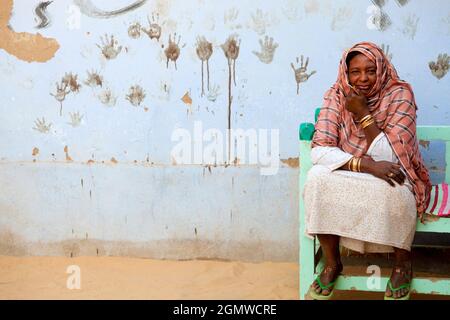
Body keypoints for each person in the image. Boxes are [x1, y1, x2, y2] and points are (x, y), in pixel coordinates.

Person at [303, 42, 431, 300]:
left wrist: (363, 114)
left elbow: (392, 158)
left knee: (395, 187)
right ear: (346, 72)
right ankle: (332, 263)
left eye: (370, 70)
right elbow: (319, 150)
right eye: (355, 72)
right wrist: (367, 165)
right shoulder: (337, 95)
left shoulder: (400, 95)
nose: (362, 78)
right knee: (317, 177)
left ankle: (401, 264)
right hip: (356, 169)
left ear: (381, 69)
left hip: (393, 172)